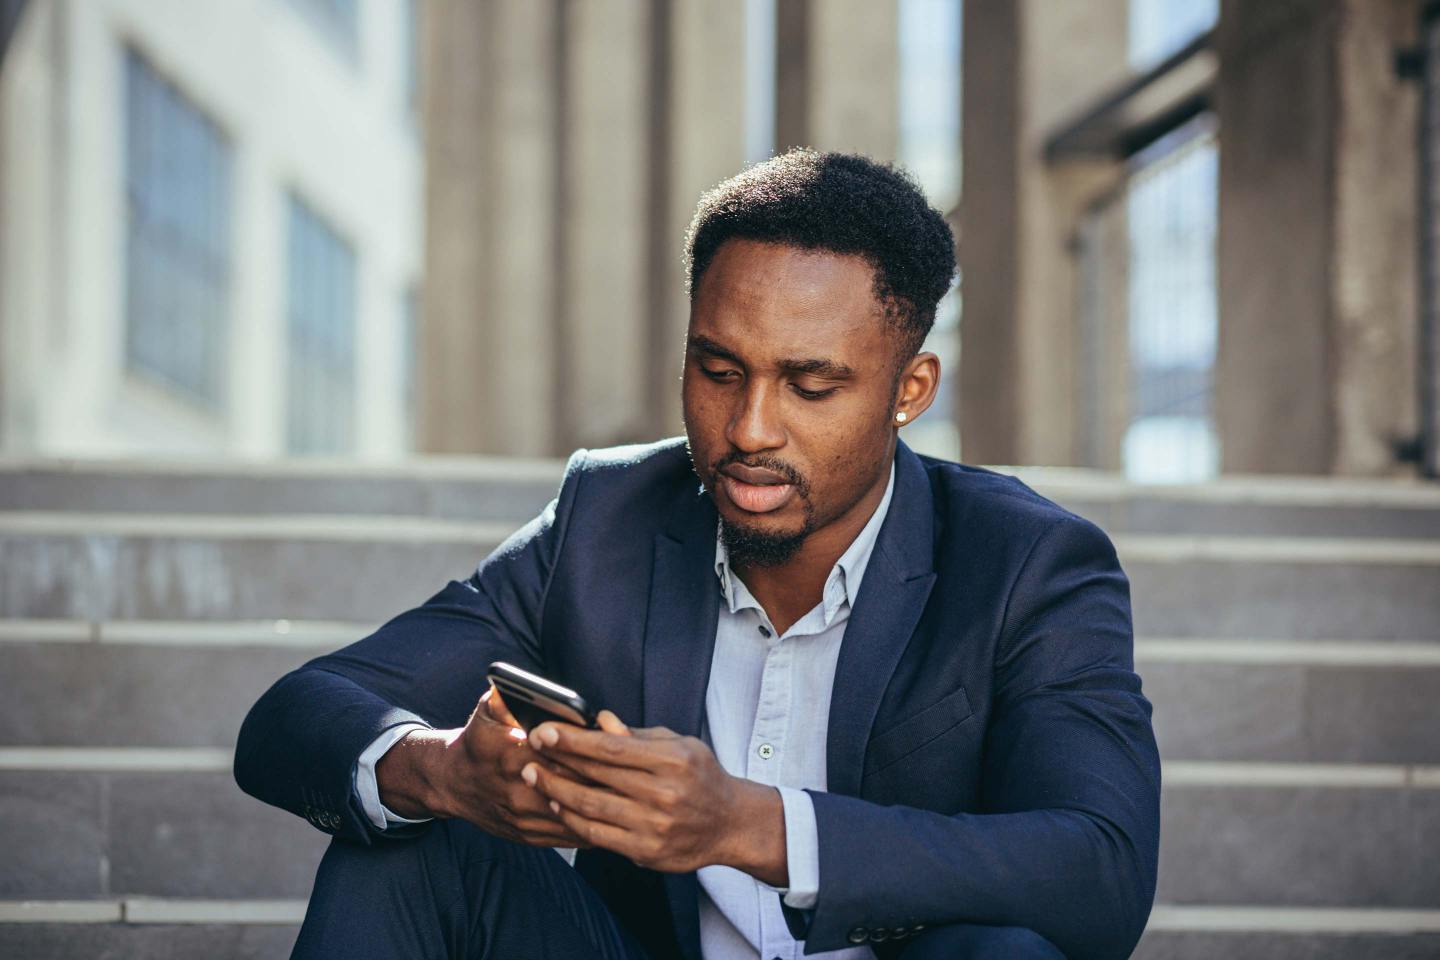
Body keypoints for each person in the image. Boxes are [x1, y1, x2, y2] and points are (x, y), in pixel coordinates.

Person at [235, 149, 1160, 960]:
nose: (751, 428)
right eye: (719, 371)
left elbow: (1099, 870)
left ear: (909, 388)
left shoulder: (1026, 563)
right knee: (412, 840)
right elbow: (296, 714)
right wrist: (442, 771)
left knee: (1002, 948)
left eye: (810, 384)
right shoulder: (612, 521)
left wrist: (748, 825)